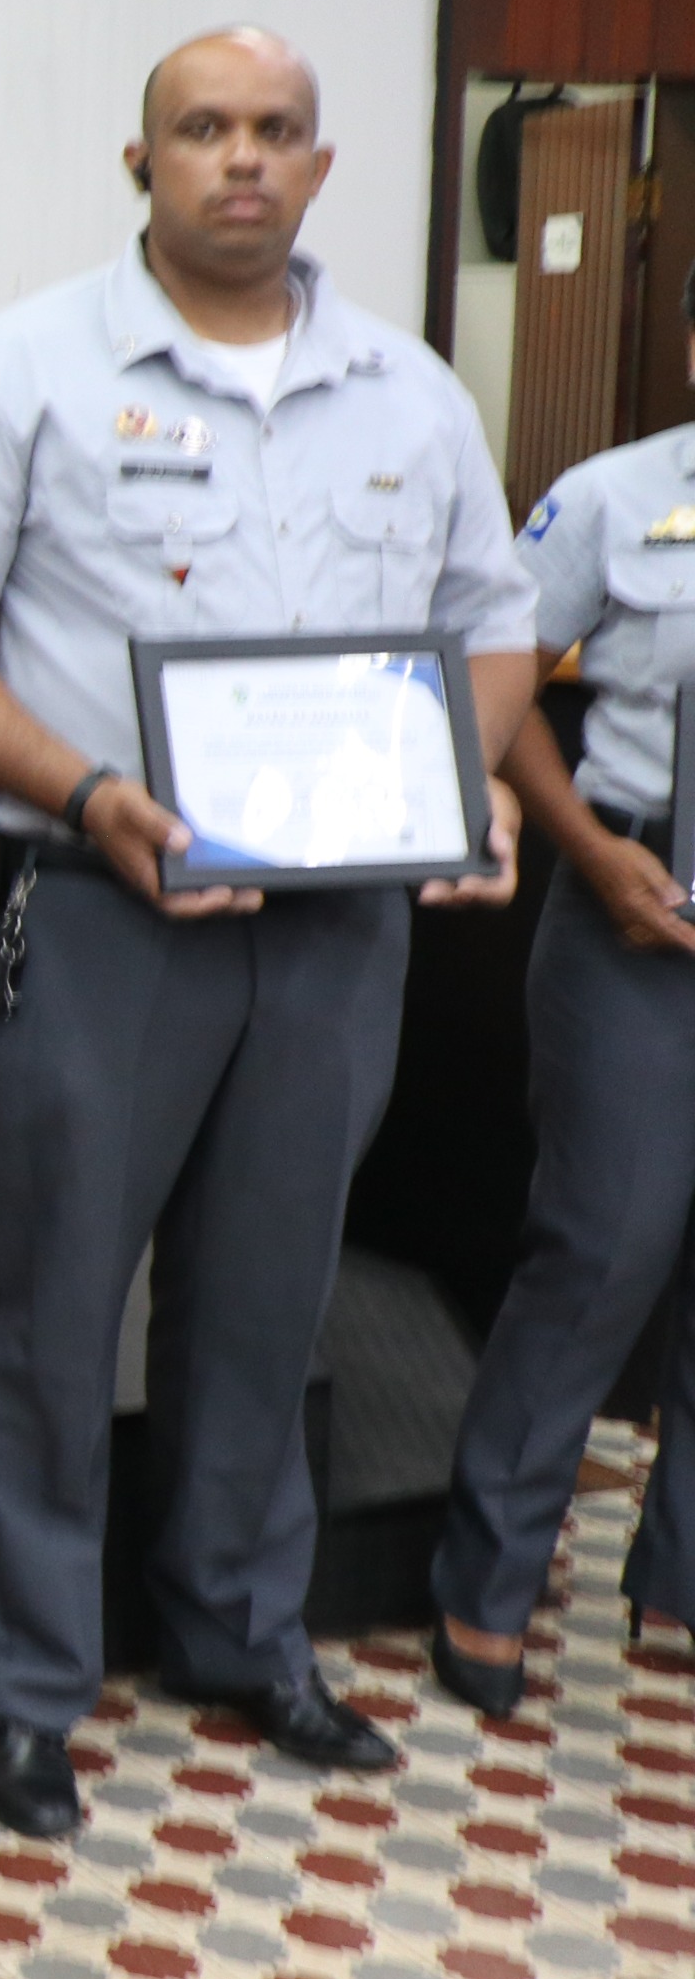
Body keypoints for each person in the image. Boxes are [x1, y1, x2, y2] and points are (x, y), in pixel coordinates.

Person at [0, 28, 537, 1841]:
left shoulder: (411, 393)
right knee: (53, 1301)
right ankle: (23, 1680)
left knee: (272, 1289)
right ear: (135, 162)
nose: (240, 157)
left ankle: (240, 1628)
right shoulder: (20, 372)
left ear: (322, 167)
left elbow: (490, 619)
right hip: (100, 909)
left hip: (335, 930)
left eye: (276, 131)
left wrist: (467, 787)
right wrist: (82, 796)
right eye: (201, 129)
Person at [428, 265, 695, 1711]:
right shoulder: (609, 499)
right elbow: (500, 681)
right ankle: (487, 1581)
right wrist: (590, 855)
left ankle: (684, 1580)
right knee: (601, 1248)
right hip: (634, 913)